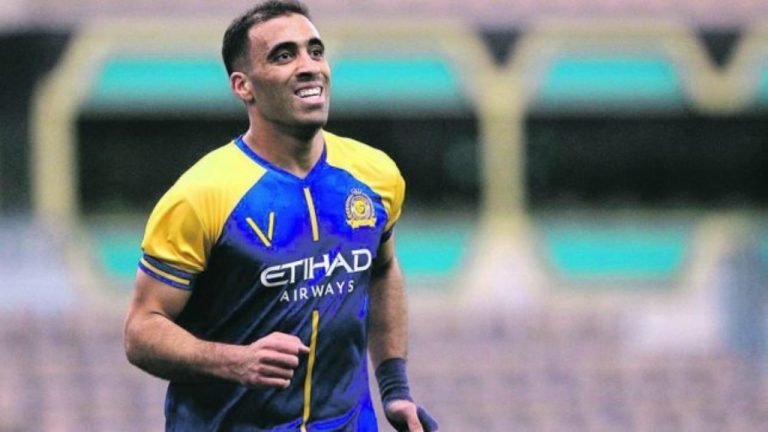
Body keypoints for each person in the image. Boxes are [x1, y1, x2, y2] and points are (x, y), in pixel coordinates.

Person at [122, 1, 438, 431]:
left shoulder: (375, 175)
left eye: (315, 51)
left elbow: (382, 270)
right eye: (284, 55)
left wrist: (395, 389)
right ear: (243, 86)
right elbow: (141, 332)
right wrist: (235, 361)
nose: (309, 66)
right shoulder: (200, 196)